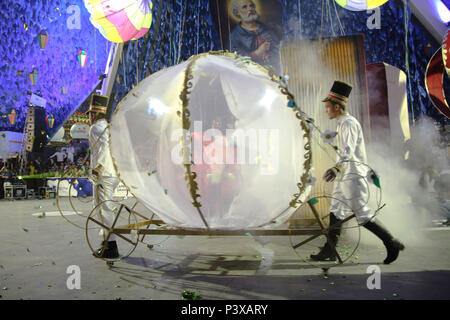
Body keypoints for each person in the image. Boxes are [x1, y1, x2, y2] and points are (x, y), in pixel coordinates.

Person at [310, 80, 405, 264]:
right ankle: (329, 250)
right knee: (336, 210)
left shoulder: (348, 123)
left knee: (362, 213)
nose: (326, 110)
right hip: (345, 175)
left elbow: (348, 150)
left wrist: (337, 168)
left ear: (337, 107)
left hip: (352, 176)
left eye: (328, 107)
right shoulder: (342, 123)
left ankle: (391, 242)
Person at [87, 94, 120, 259]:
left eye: (90, 114)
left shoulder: (95, 128)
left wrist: (99, 166)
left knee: (103, 209)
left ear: (94, 114)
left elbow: (104, 148)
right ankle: (106, 242)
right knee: (102, 208)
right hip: (111, 173)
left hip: (104, 174)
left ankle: (111, 245)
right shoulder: (107, 126)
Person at [230, 0, 281, 72]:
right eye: (245, 7)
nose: (250, 9)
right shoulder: (235, 35)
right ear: (236, 12)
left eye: (252, 6)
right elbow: (234, 59)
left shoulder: (266, 29)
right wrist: (256, 53)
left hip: (272, 71)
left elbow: (278, 49)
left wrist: (270, 54)